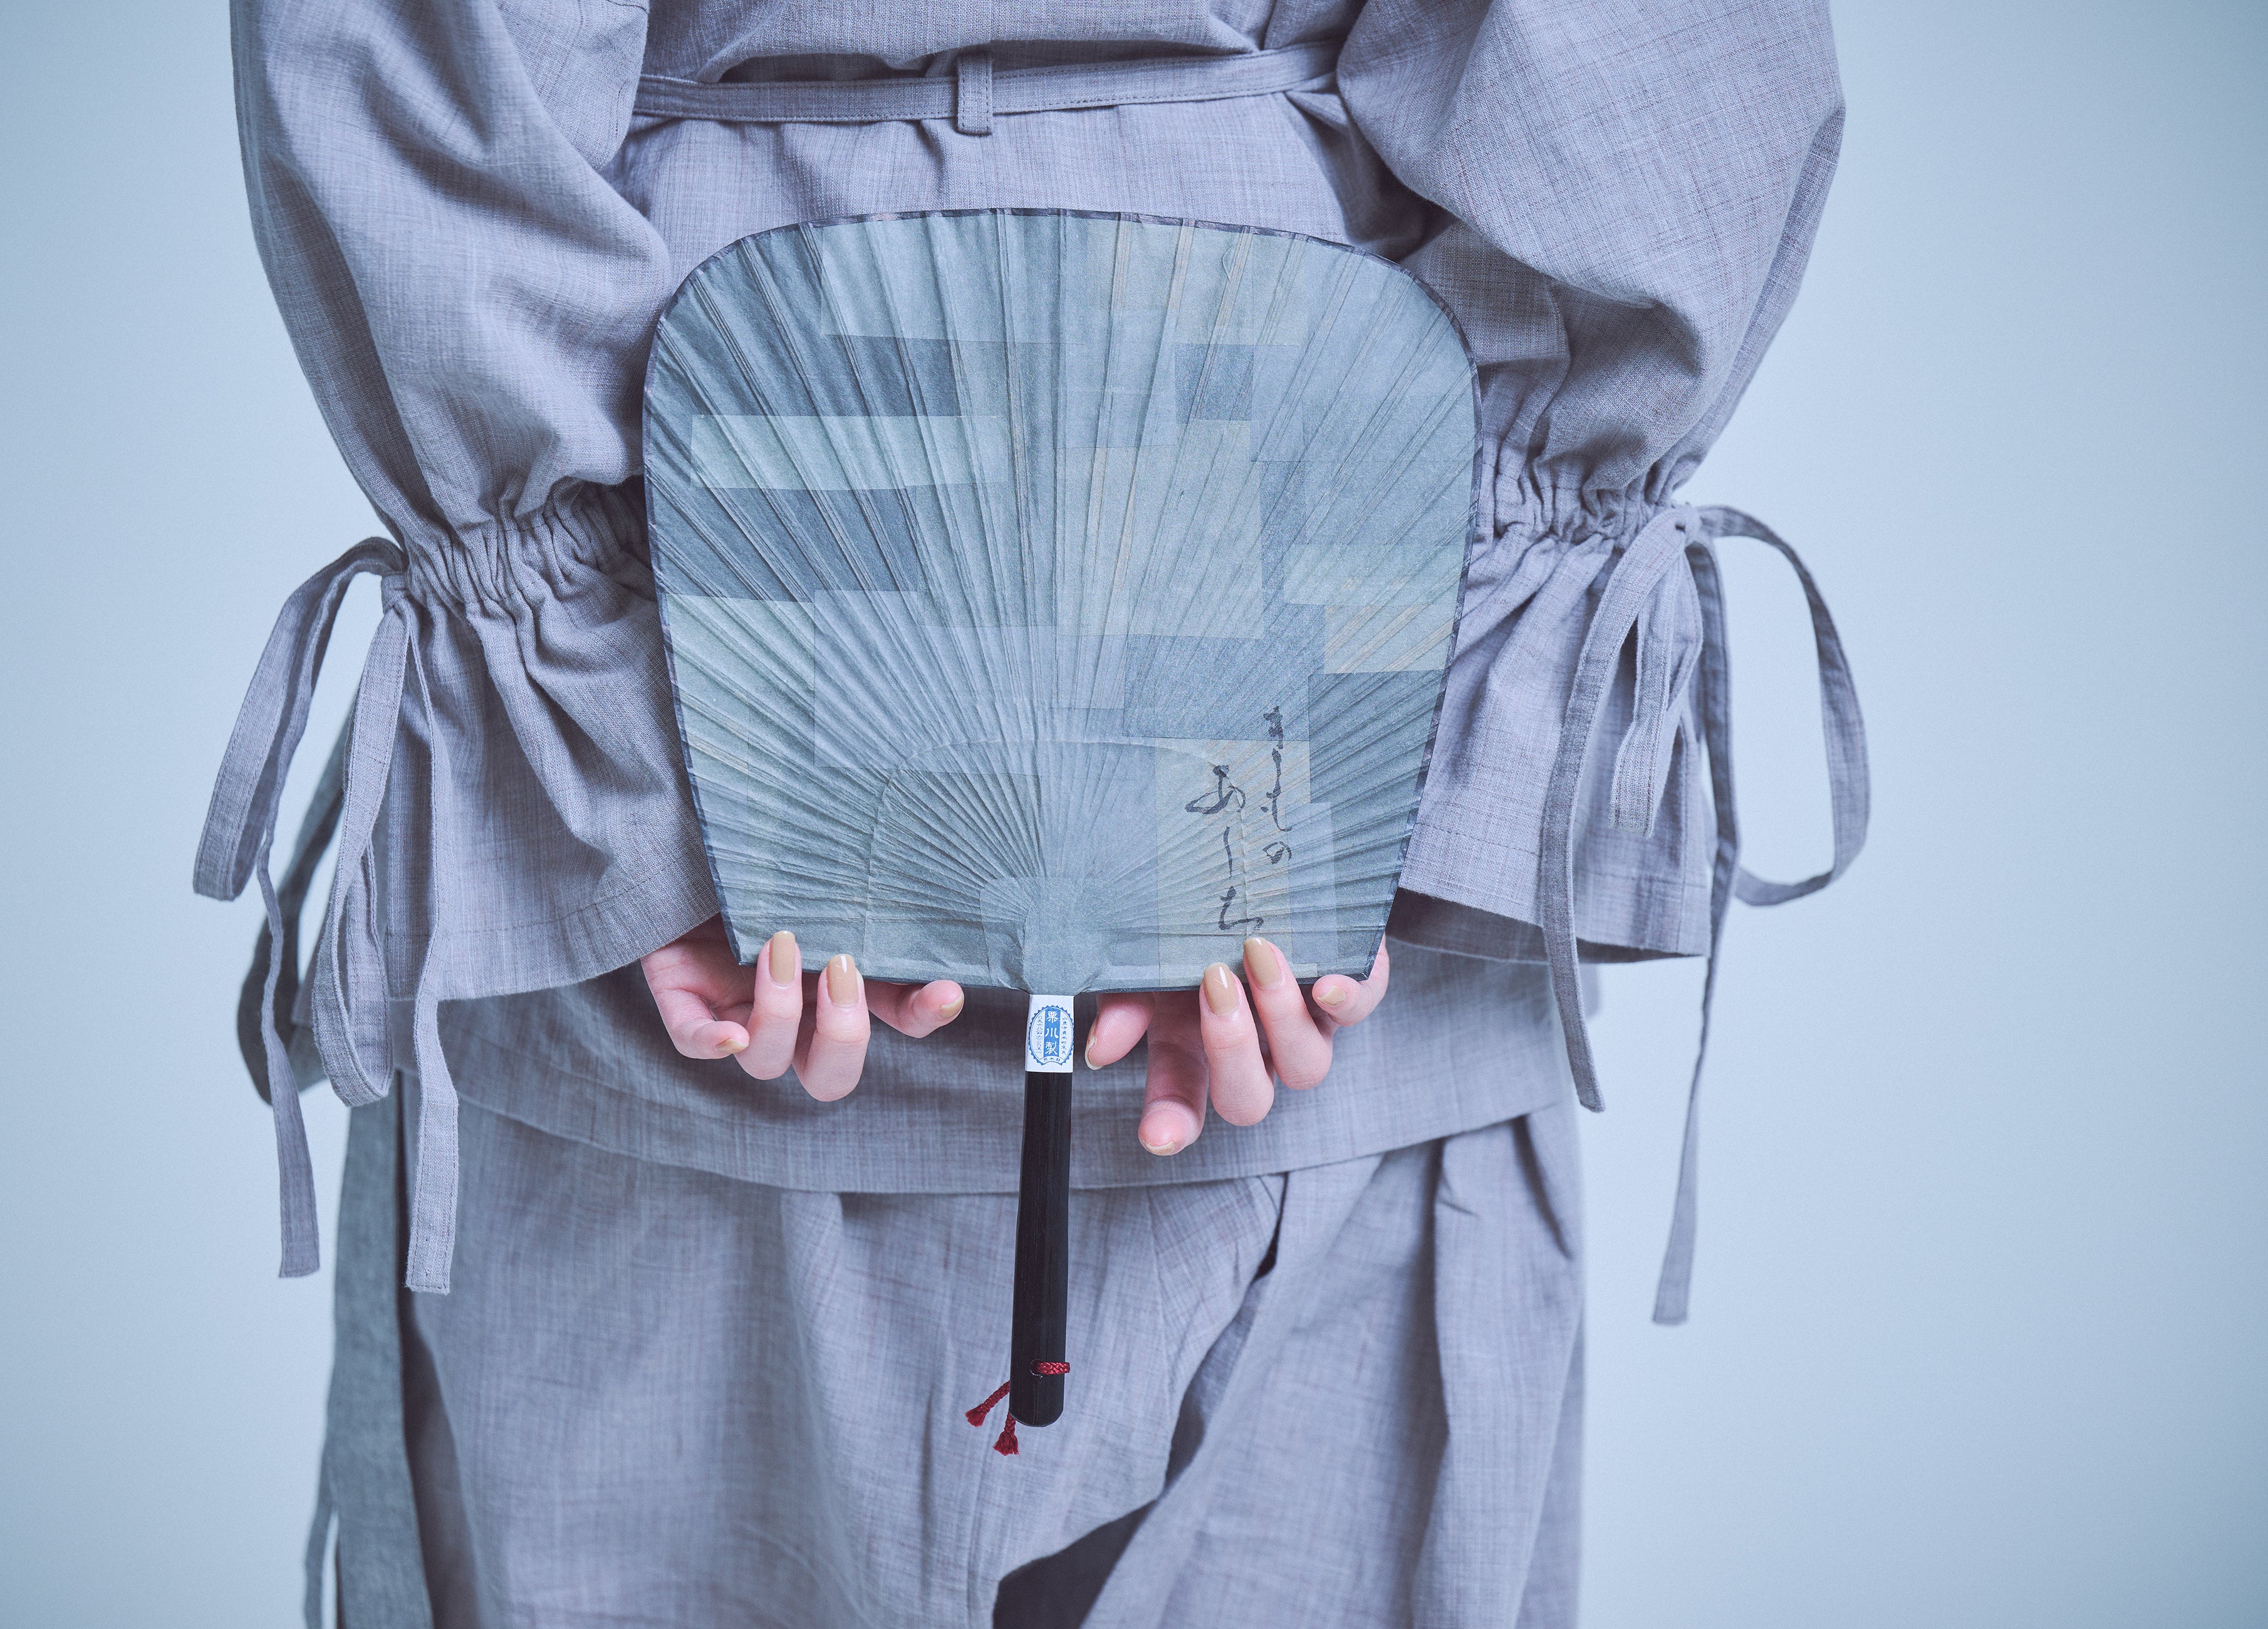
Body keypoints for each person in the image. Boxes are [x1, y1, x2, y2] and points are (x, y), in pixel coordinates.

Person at [202, 3, 1862, 1623]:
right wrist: (1360, 776)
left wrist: (612, 756)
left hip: (767, 530)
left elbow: (435, 75)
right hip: (1289, 539)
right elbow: (1640, 75)